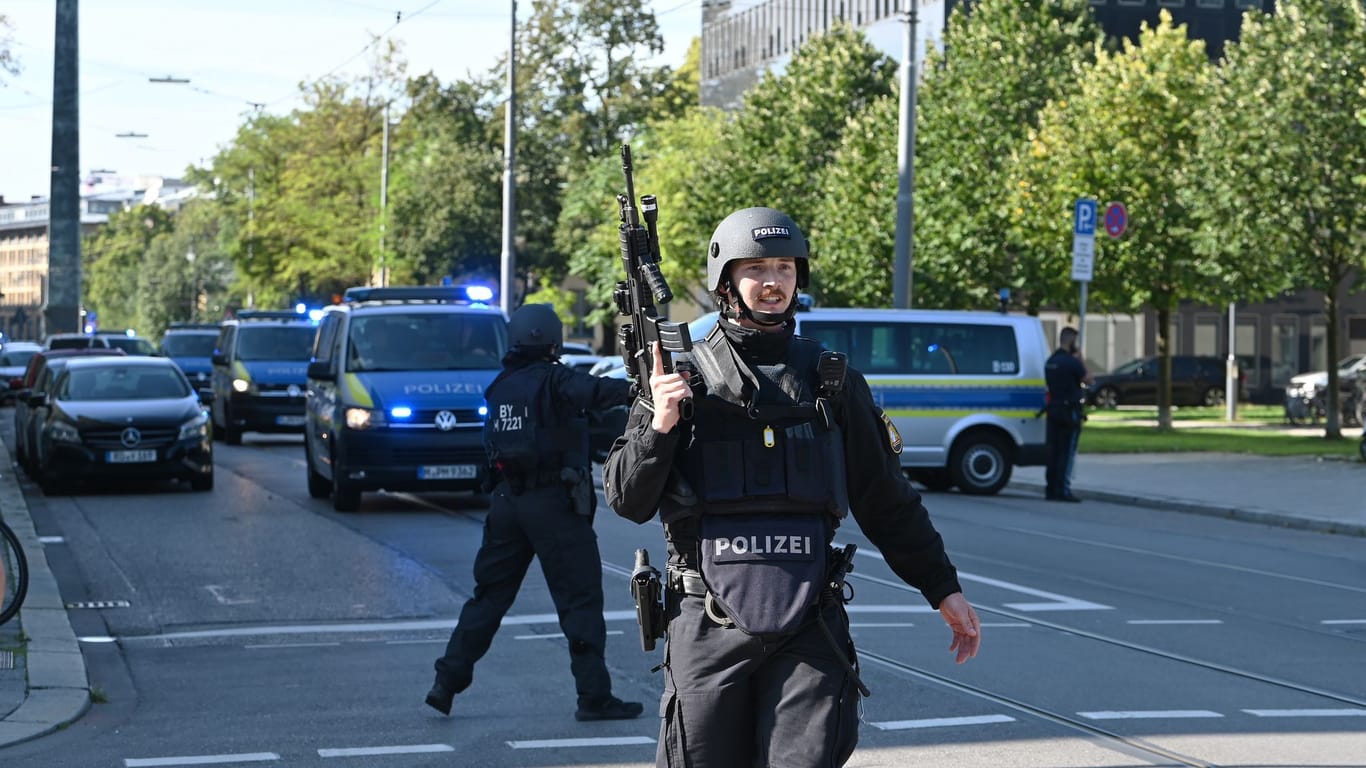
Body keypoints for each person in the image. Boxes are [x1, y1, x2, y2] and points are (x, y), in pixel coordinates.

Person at [603, 207, 981, 767]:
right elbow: (627, 500)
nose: (773, 281)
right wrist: (660, 423)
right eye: (756, 268)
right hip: (707, 625)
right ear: (726, 280)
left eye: (784, 266)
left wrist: (941, 587)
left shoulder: (832, 381)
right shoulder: (681, 379)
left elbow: (886, 500)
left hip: (810, 625)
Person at [425, 303, 643, 722]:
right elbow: (596, 393)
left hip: (507, 505)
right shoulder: (555, 380)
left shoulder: (500, 387)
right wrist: (640, 387)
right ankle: (594, 697)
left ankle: (446, 682)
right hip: (554, 505)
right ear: (553, 339)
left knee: (487, 599)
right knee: (579, 601)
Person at [1043, 326, 1093, 502]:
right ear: (1071, 341)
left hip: (1053, 410)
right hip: (1069, 411)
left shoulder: (1051, 361)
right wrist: (1081, 359)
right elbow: (1088, 379)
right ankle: (1063, 490)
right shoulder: (1072, 362)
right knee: (1067, 452)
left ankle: (1050, 489)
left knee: (1054, 451)